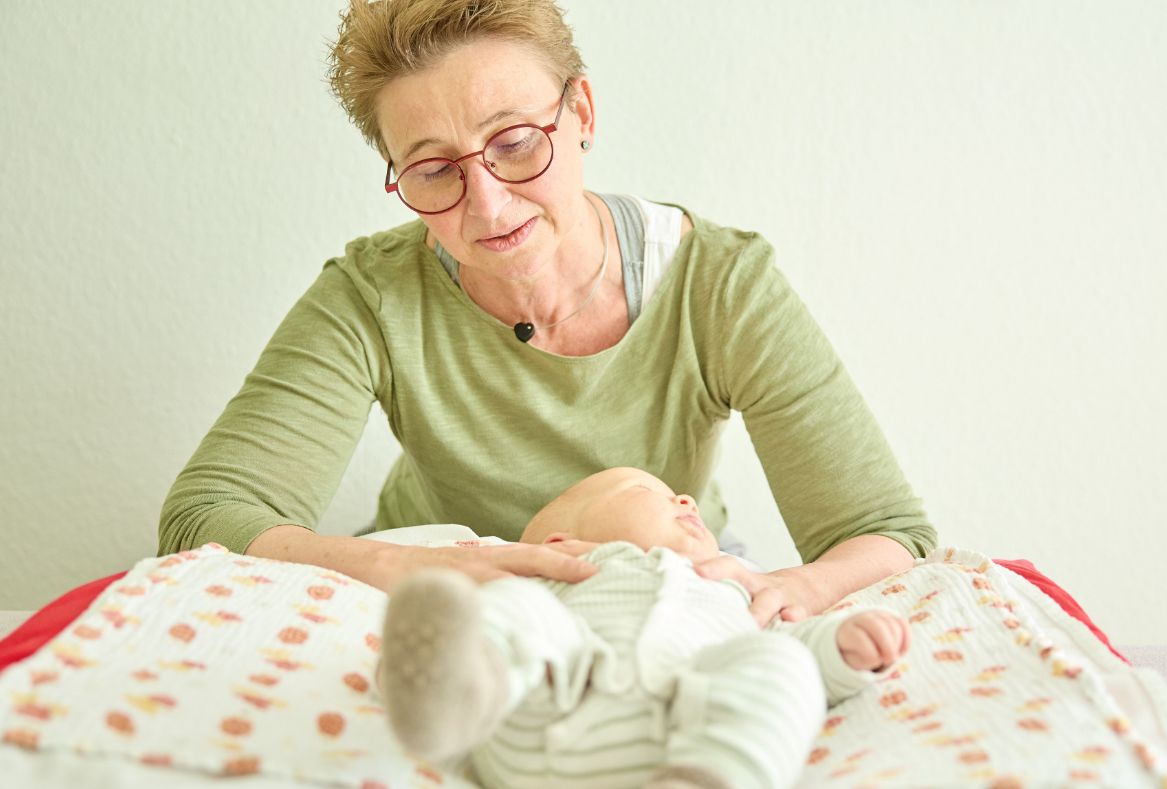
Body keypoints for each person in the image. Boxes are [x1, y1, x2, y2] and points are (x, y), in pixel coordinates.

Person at [158, 0, 936, 625]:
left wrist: (797, 588)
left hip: (667, 582)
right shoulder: (371, 294)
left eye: (517, 142)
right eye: (433, 170)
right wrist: (398, 563)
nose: (489, 205)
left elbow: (884, 532)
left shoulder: (720, 282)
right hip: (442, 581)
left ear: (582, 112)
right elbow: (204, 517)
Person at [379, 467, 911, 789]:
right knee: (513, 606)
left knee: (782, 662)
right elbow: (515, 614)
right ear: (561, 544)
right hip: (541, 716)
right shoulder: (563, 577)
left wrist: (844, 648)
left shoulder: (735, 590)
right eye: (644, 488)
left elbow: (789, 641)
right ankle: (450, 692)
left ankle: (713, 779)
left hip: (678, 738)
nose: (688, 500)